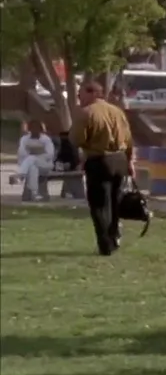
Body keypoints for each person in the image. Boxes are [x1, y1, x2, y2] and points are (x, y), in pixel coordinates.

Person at [70, 81, 135, 256]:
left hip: (99, 160)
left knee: (99, 204)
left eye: (81, 94)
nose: (79, 98)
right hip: (119, 159)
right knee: (115, 201)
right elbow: (129, 139)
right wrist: (130, 161)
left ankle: (105, 244)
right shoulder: (117, 112)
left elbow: (76, 139)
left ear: (92, 93)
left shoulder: (86, 113)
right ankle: (114, 237)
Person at [16, 119, 56, 201]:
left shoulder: (46, 139)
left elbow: (50, 154)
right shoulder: (24, 139)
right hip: (30, 165)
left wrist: (37, 154)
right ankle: (35, 194)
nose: (35, 130)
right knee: (33, 168)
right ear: (29, 129)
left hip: (45, 165)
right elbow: (21, 153)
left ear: (41, 129)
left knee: (32, 159)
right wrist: (32, 155)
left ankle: (21, 175)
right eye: (32, 128)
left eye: (37, 128)